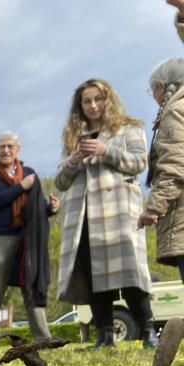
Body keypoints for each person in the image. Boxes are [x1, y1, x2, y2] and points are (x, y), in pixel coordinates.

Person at [55, 79, 156, 348]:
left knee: (131, 272)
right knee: (94, 275)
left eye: (97, 99)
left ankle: (148, 332)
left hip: (118, 212)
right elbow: (60, 182)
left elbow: (139, 162)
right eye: (86, 101)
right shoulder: (73, 138)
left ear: (108, 99)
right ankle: (104, 336)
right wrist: (72, 161)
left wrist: (106, 150)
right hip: (84, 216)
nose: (93, 105)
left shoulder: (129, 127)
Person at [0, 131, 59, 349]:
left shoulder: (29, 173)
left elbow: (36, 207)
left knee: (32, 289)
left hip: (26, 239)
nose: (6, 150)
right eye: (2, 146)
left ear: (17, 150)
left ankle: (44, 342)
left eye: (10, 146)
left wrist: (50, 209)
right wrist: (20, 188)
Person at [139, 58, 184, 283]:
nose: (154, 97)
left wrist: (153, 208)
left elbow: (175, 166)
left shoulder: (175, 111)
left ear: (163, 87)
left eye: (152, 90)